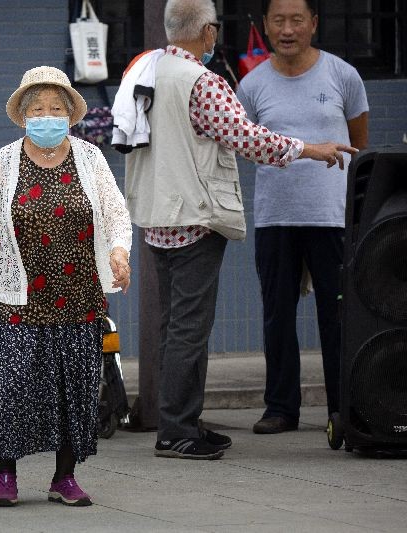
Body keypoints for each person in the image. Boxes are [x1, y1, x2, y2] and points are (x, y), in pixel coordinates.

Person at [123, 0, 357, 460]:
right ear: (208, 32)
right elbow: (249, 138)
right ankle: (175, 431)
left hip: (155, 216)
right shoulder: (203, 82)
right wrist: (310, 149)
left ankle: (185, 420)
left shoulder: (144, 70)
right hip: (193, 217)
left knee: (176, 326)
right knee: (190, 328)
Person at [0, 66, 133, 507]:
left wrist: (119, 251)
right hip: (19, 298)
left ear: (69, 114)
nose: (48, 115)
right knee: (13, 385)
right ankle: (6, 474)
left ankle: (65, 477)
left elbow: (116, 212)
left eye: (56, 108)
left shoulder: (90, 158)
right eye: (38, 108)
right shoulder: (3, 163)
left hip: (79, 296)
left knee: (75, 388)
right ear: (24, 116)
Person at [236, 0, 369, 435]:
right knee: (277, 314)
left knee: (339, 315)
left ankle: (344, 407)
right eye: (279, 20)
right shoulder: (252, 85)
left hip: (331, 217)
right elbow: (247, 144)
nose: (287, 29)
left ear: (313, 23)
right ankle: (280, 408)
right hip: (275, 217)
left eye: (297, 20)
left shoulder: (342, 75)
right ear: (266, 26)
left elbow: (359, 146)